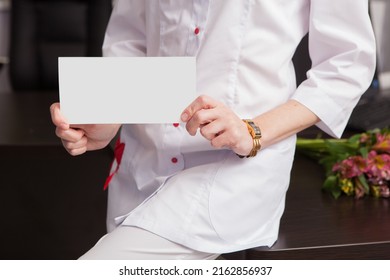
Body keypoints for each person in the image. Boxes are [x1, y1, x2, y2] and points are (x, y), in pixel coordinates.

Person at [50, 0, 376, 259]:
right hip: (143, 161)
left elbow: (345, 67)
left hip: (234, 169)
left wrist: (253, 131)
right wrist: (107, 117)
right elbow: (130, 39)